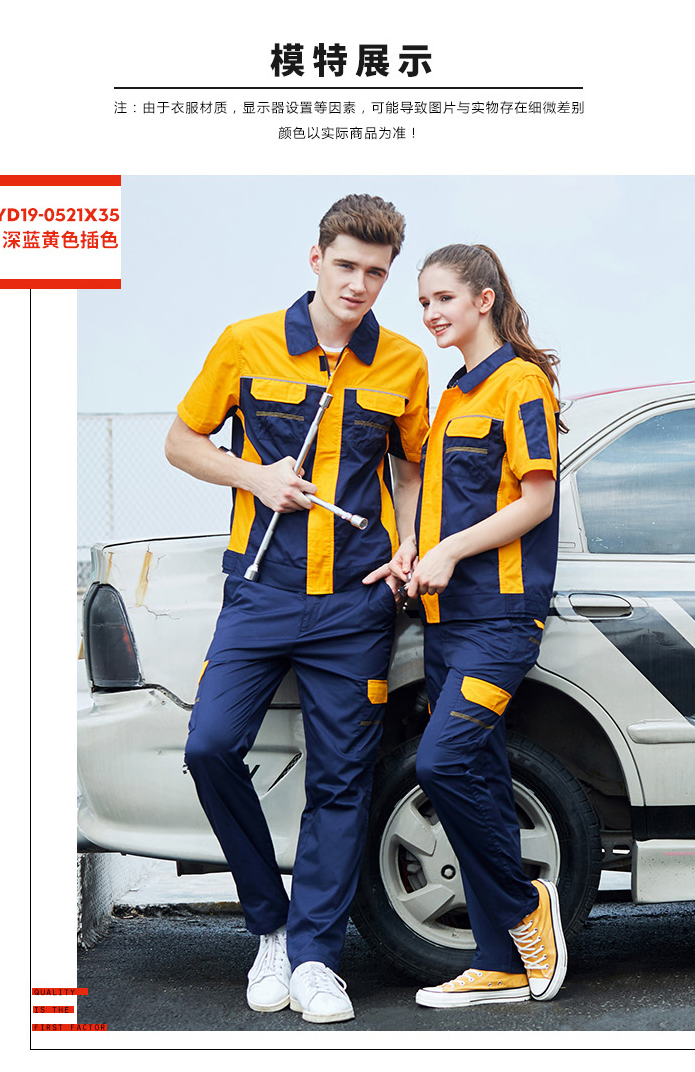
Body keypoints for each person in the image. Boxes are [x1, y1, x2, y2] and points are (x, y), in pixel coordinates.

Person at [165, 194, 429, 1024]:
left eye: (376, 273)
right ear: (315, 259)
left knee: (341, 781)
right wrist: (257, 476)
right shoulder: (245, 342)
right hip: (261, 592)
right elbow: (181, 442)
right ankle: (270, 929)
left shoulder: (404, 364)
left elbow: (411, 470)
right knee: (210, 746)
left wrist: (408, 546)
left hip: (356, 603)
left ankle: (316, 958)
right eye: (346, 265)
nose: (358, 285)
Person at [367, 243, 567, 1007]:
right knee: (476, 774)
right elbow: (436, 496)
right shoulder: (452, 392)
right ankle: (499, 962)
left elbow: (536, 500)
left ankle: (524, 907)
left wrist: (449, 550)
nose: (430, 313)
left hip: (501, 620)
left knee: (443, 763)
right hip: (447, 622)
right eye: (422, 302)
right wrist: (412, 549)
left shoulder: (521, 382)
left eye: (443, 298)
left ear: (485, 300)